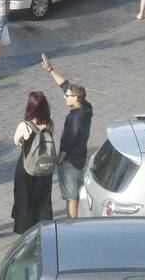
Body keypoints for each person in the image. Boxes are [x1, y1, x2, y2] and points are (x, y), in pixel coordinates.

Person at [41, 55, 92, 219]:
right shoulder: (86, 107)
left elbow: (67, 141)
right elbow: (66, 86)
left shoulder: (73, 118)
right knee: (76, 192)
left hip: (70, 161)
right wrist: (51, 70)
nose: (65, 96)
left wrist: (60, 159)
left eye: (67, 96)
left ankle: (72, 224)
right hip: (81, 156)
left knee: (71, 196)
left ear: (75, 98)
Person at [11, 91, 55, 233]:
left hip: (26, 167)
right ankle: (43, 226)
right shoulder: (49, 123)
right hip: (44, 166)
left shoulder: (25, 125)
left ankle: (24, 228)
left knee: (24, 197)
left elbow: (16, 141)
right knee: (43, 198)